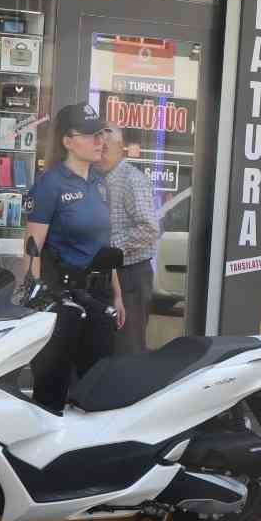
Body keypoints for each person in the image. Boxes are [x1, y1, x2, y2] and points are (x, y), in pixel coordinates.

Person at [21, 103, 124, 413]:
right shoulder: (50, 184)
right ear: (68, 141)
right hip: (64, 298)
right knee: (52, 387)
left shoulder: (100, 183)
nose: (100, 142)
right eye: (91, 136)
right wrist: (36, 298)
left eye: (102, 135)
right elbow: (32, 247)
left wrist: (117, 295)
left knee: (98, 388)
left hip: (98, 296)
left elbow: (104, 245)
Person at [99, 126, 159, 356]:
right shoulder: (97, 178)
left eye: (106, 148)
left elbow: (149, 228)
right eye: (98, 148)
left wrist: (109, 248)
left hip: (130, 274)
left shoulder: (131, 180)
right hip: (106, 273)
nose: (100, 154)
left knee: (128, 344)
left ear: (120, 149)